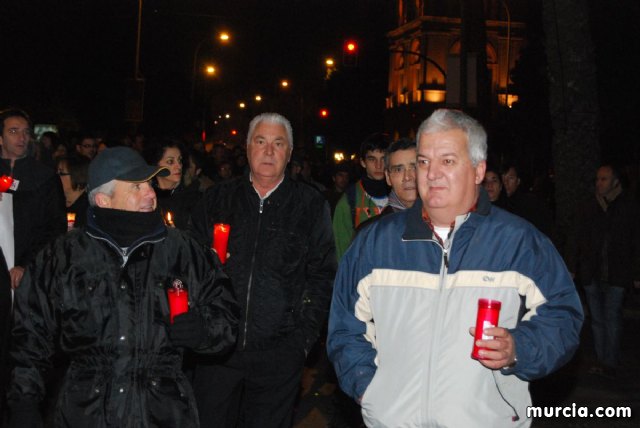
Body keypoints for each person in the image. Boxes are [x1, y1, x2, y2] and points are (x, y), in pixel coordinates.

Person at [327, 109, 583, 427]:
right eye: (424, 161)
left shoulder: (519, 242)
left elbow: (563, 315)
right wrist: (370, 390)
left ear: (478, 170)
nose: (431, 173)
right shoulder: (375, 243)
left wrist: (520, 348)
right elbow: (344, 327)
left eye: (447, 161)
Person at [7, 146, 238, 427]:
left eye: (150, 184)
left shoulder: (182, 250)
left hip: (162, 411)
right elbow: (30, 333)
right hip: (85, 411)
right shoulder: (65, 255)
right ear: (104, 199)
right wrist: (24, 403)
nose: (151, 194)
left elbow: (225, 315)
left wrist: (203, 330)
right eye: (137, 187)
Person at [190, 112, 337, 428]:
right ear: (246, 148)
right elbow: (189, 265)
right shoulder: (217, 198)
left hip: (279, 353)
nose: (268, 151)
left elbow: (322, 274)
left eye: (278, 143)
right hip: (217, 350)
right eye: (260, 141)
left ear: (289, 152)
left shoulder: (310, 204)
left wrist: (302, 340)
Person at [566, 164, 640, 378]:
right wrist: (572, 266)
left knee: (613, 316)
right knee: (597, 318)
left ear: (615, 181)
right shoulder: (589, 206)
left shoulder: (628, 206)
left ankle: (610, 361)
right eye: (598, 179)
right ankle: (602, 359)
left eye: (604, 179)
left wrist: (636, 273)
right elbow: (576, 236)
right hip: (593, 272)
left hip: (617, 272)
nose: (599, 183)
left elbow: (635, 240)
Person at [0, 108, 67, 290]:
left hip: (30, 273)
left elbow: (55, 227)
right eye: (13, 131)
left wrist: (26, 264)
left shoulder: (45, 177)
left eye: (26, 132)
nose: (21, 138)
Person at [332, 133, 390, 260]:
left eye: (383, 158)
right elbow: (342, 254)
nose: (378, 165)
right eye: (372, 159)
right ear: (363, 162)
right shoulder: (349, 202)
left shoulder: (402, 197)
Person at [144, 138, 200, 230]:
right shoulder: (146, 197)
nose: (178, 166)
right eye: (170, 162)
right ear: (155, 165)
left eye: (179, 160)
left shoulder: (192, 198)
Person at [501, 163, 554, 239]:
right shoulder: (496, 204)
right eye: (503, 178)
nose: (506, 182)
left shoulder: (530, 204)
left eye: (510, 178)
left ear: (518, 181)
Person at [56, 155, 90, 229]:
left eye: (61, 173)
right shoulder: (56, 201)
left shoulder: (87, 211)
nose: (56, 177)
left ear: (77, 176)